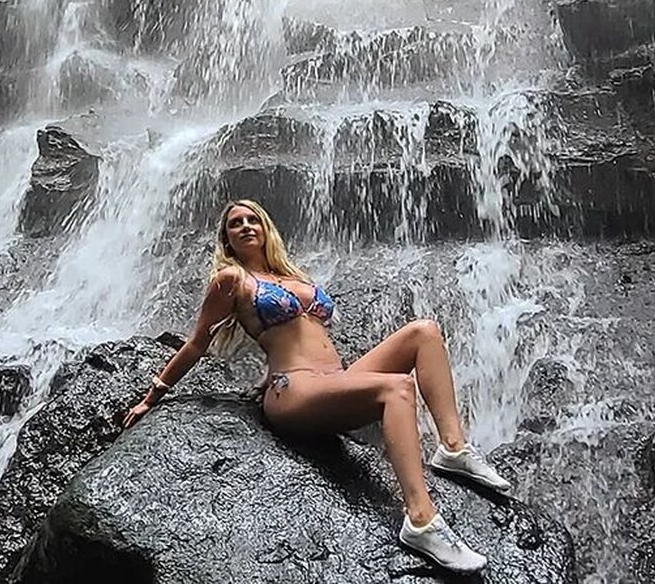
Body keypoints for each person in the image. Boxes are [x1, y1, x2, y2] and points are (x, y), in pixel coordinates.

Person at [123, 199, 512, 574]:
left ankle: (454, 447)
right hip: (294, 389)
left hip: (335, 381)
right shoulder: (232, 280)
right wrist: (152, 397)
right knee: (397, 388)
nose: (245, 226)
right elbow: (197, 343)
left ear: (266, 228)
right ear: (227, 240)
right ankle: (421, 520)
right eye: (235, 224)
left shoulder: (294, 277)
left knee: (424, 332)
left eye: (252, 219)